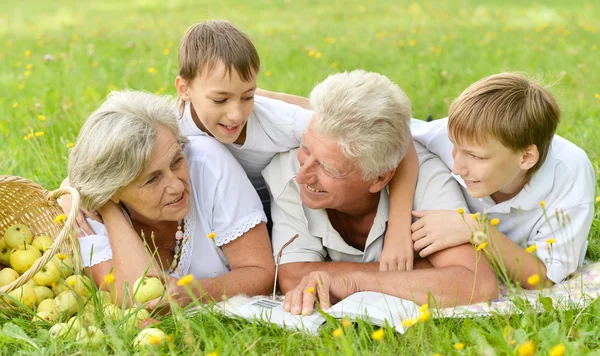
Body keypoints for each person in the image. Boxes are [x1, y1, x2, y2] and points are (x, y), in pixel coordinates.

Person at [174, 20, 420, 271]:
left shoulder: (279, 121)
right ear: (184, 89)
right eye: (220, 99)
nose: (236, 114)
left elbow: (400, 137)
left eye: (248, 96)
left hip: (283, 220)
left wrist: (399, 228)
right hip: (226, 223)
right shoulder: (171, 128)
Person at [262, 70, 499, 315]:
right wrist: (426, 271)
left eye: (329, 168)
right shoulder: (287, 170)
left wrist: (354, 282)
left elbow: (476, 284)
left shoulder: (428, 178)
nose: (303, 175)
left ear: (380, 178)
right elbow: (292, 276)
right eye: (305, 148)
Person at [67, 90, 275, 306]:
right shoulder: (89, 214)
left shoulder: (209, 164)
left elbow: (261, 274)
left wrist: (193, 293)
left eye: (176, 161)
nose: (176, 186)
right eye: (152, 179)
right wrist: (111, 212)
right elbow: (132, 298)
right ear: (113, 191)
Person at [410, 72, 595, 288]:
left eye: (476, 157)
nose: (458, 168)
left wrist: (477, 230)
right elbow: (395, 138)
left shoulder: (570, 176)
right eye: (453, 147)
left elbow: (543, 277)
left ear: (526, 157)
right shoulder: (458, 134)